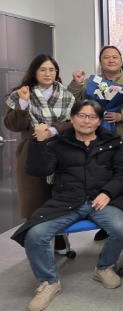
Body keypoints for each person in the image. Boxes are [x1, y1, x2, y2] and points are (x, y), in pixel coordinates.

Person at [11, 100, 123, 311]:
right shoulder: (59, 143)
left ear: (99, 121)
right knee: (35, 234)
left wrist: (107, 193)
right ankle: (49, 282)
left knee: (121, 227)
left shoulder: (112, 141)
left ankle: (104, 267)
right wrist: (38, 143)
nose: (87, 121)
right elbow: (39, 170)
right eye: (82, 116)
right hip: (66, 201)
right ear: (73, 118)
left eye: (92, 117)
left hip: (102, 200)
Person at [4, 54, 75, 253]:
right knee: (34, 199)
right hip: (31, 150)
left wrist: (52, 130)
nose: (47, 73)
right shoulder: (22, 93)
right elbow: (13, 125)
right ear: (34, 72)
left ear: (57, 72)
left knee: (58, 197)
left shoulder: (66, 95)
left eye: (52, 70)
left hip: (61, 149)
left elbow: (73, 122)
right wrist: (23, 103)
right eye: (42, 69)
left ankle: (60, 239)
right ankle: (36, 244)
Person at [68, 45, 123, 241]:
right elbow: (73, 101)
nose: (111, 60)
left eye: (115, 57)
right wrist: (76, 83)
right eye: (106, 57)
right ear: (100, 61)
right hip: (96, 143)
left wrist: (121, 115)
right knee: (102, 184)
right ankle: (106, 225)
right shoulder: (91, 82)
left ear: (121, 60)